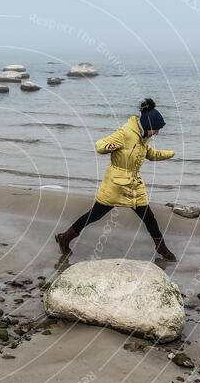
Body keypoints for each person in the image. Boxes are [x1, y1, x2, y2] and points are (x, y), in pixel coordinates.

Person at [55, 98, 176, 261]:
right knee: (94, 215)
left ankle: (161, 248)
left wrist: (171, 153)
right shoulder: (125, 133)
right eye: (156, 129)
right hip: (116, 184)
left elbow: (151, 154)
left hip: (133, 185)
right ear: (148, 125)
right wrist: (106, 147)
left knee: (148, 216)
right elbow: (100, 144)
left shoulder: (142, 138)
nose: (156, 133)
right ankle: (64, 238)